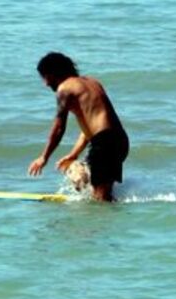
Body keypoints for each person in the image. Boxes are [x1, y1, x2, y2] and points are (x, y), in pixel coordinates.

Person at [28, 52, 129, 202]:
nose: (46, 83)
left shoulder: (65, 89)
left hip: (105, 144)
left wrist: (44, 157)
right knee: (97, 190)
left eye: (45, 77)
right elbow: (91, 129)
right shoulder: (92, 82)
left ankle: (107, 214)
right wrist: (74, 154)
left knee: (101, 199)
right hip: (119, 140)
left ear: (53, 73)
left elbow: (59, 128)